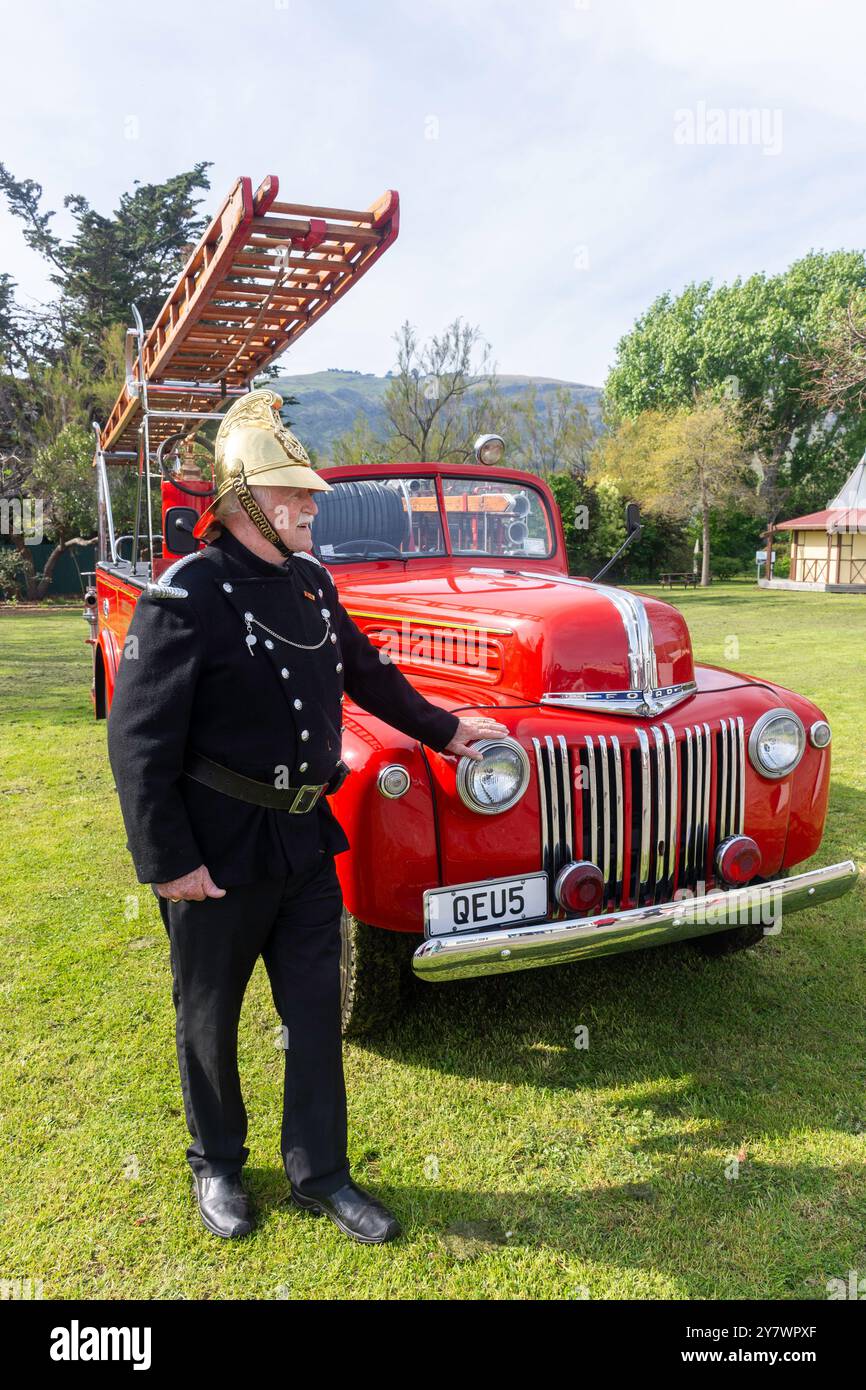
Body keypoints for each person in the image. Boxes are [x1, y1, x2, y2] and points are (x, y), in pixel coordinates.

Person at [107, 389, 507, 1244]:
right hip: (214, 849)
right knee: (208, 1015)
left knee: (317, 1013)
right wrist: (169, 862)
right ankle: (216, 1162)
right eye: (295, 494)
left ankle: (321, 1173)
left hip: (302, 838)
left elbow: (367, 674)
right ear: (245, 501)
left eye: (309, 493)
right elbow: (138, 747)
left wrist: (448, 731)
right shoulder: (187, 597)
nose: (312, 505)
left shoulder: (314, 584)